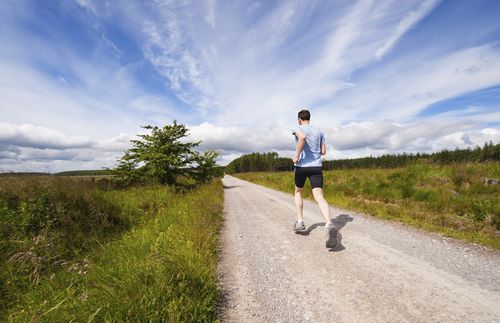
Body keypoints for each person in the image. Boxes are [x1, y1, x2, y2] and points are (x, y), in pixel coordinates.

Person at [292, 109, 336, 248]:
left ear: (299, 119)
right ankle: (329, 223)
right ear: (309, 118)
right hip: (316, 167)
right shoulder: (319, 131)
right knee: (319, 196)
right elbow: (323, 151)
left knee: (298, 191)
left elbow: (302, 137)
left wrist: (297, 154)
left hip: (301, 166)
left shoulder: (297, 127)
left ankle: (300, 222)